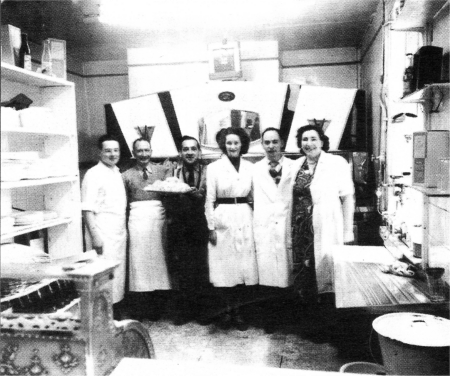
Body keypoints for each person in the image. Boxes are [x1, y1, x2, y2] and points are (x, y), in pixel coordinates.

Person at [291, 125, 354, 308]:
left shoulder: (336, 162)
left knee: (327, 271)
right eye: (304, 139)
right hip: (301, 231)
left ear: (322, 141)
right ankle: (309, 319)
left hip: (327, 224)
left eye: (313, 139)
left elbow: (347, 197)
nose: (309, 143)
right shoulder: (297, 165)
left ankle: (327, 321)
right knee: (305, 272)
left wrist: (348, 231)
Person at [205, 127, 258, 330]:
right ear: (223, 145)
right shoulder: (213, 168)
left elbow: (254, 196)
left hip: (245, 214)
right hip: (223, 216)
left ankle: (239, 312)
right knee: (224, 267)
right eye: (229, 143)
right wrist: (211, 226)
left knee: (244, 265)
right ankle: (227, 310)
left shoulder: (250, 167)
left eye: (236, 143)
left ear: (242, 145)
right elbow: (209, 200)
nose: (233, 146)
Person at [122, 137, 172, 320]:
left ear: (151, 151)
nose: (143, 154)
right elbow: (124, 202)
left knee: (158, 260)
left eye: (146, 150)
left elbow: (169, 193)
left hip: (158, 217)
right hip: (136, 219)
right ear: (134, 153)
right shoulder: (125, 175)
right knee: (139, 261)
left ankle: (158, 305)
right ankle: (141, 306)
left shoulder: (163, 170)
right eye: (139, 151)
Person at [164, 136, 210, 325]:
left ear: (198, 152)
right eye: (185, 149)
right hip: (180, 225)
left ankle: (201, 311)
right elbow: (166, 194)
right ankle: (184, 311)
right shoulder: (173, 171)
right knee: (182, 268)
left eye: (193, 149)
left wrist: (201, 194)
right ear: (180, 152)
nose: (189, 152)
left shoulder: (207, 171)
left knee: (200, 267)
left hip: (199, 223)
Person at [81, 134, 127, 312]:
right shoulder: (93, 174)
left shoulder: (116, 171)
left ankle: (115, 312)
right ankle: (103, 315)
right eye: (108, 150)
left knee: (117, 274)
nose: (113, 154)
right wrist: (95, 236)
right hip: (102, 231)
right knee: (103, 275)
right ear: (99, 152)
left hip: (118, 231)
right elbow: (87, 208)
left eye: (116, 150)